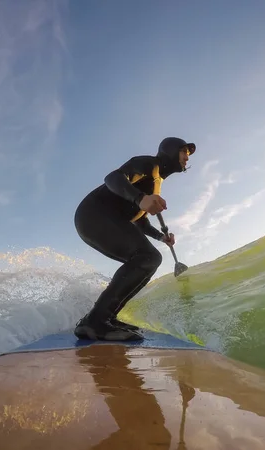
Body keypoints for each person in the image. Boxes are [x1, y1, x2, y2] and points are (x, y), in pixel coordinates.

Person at [74, 136, 195, 341]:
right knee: (148, 257)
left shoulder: (157, 182)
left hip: (103, 219)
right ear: (171, 150)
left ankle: (106, 318)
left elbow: (140, 221)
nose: (187, 158)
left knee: (147, 260)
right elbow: (113, 178)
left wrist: (160, 236)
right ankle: (95, 321)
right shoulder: (148, 164)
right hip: (93, 214)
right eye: (185, 152)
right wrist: (140, 198)